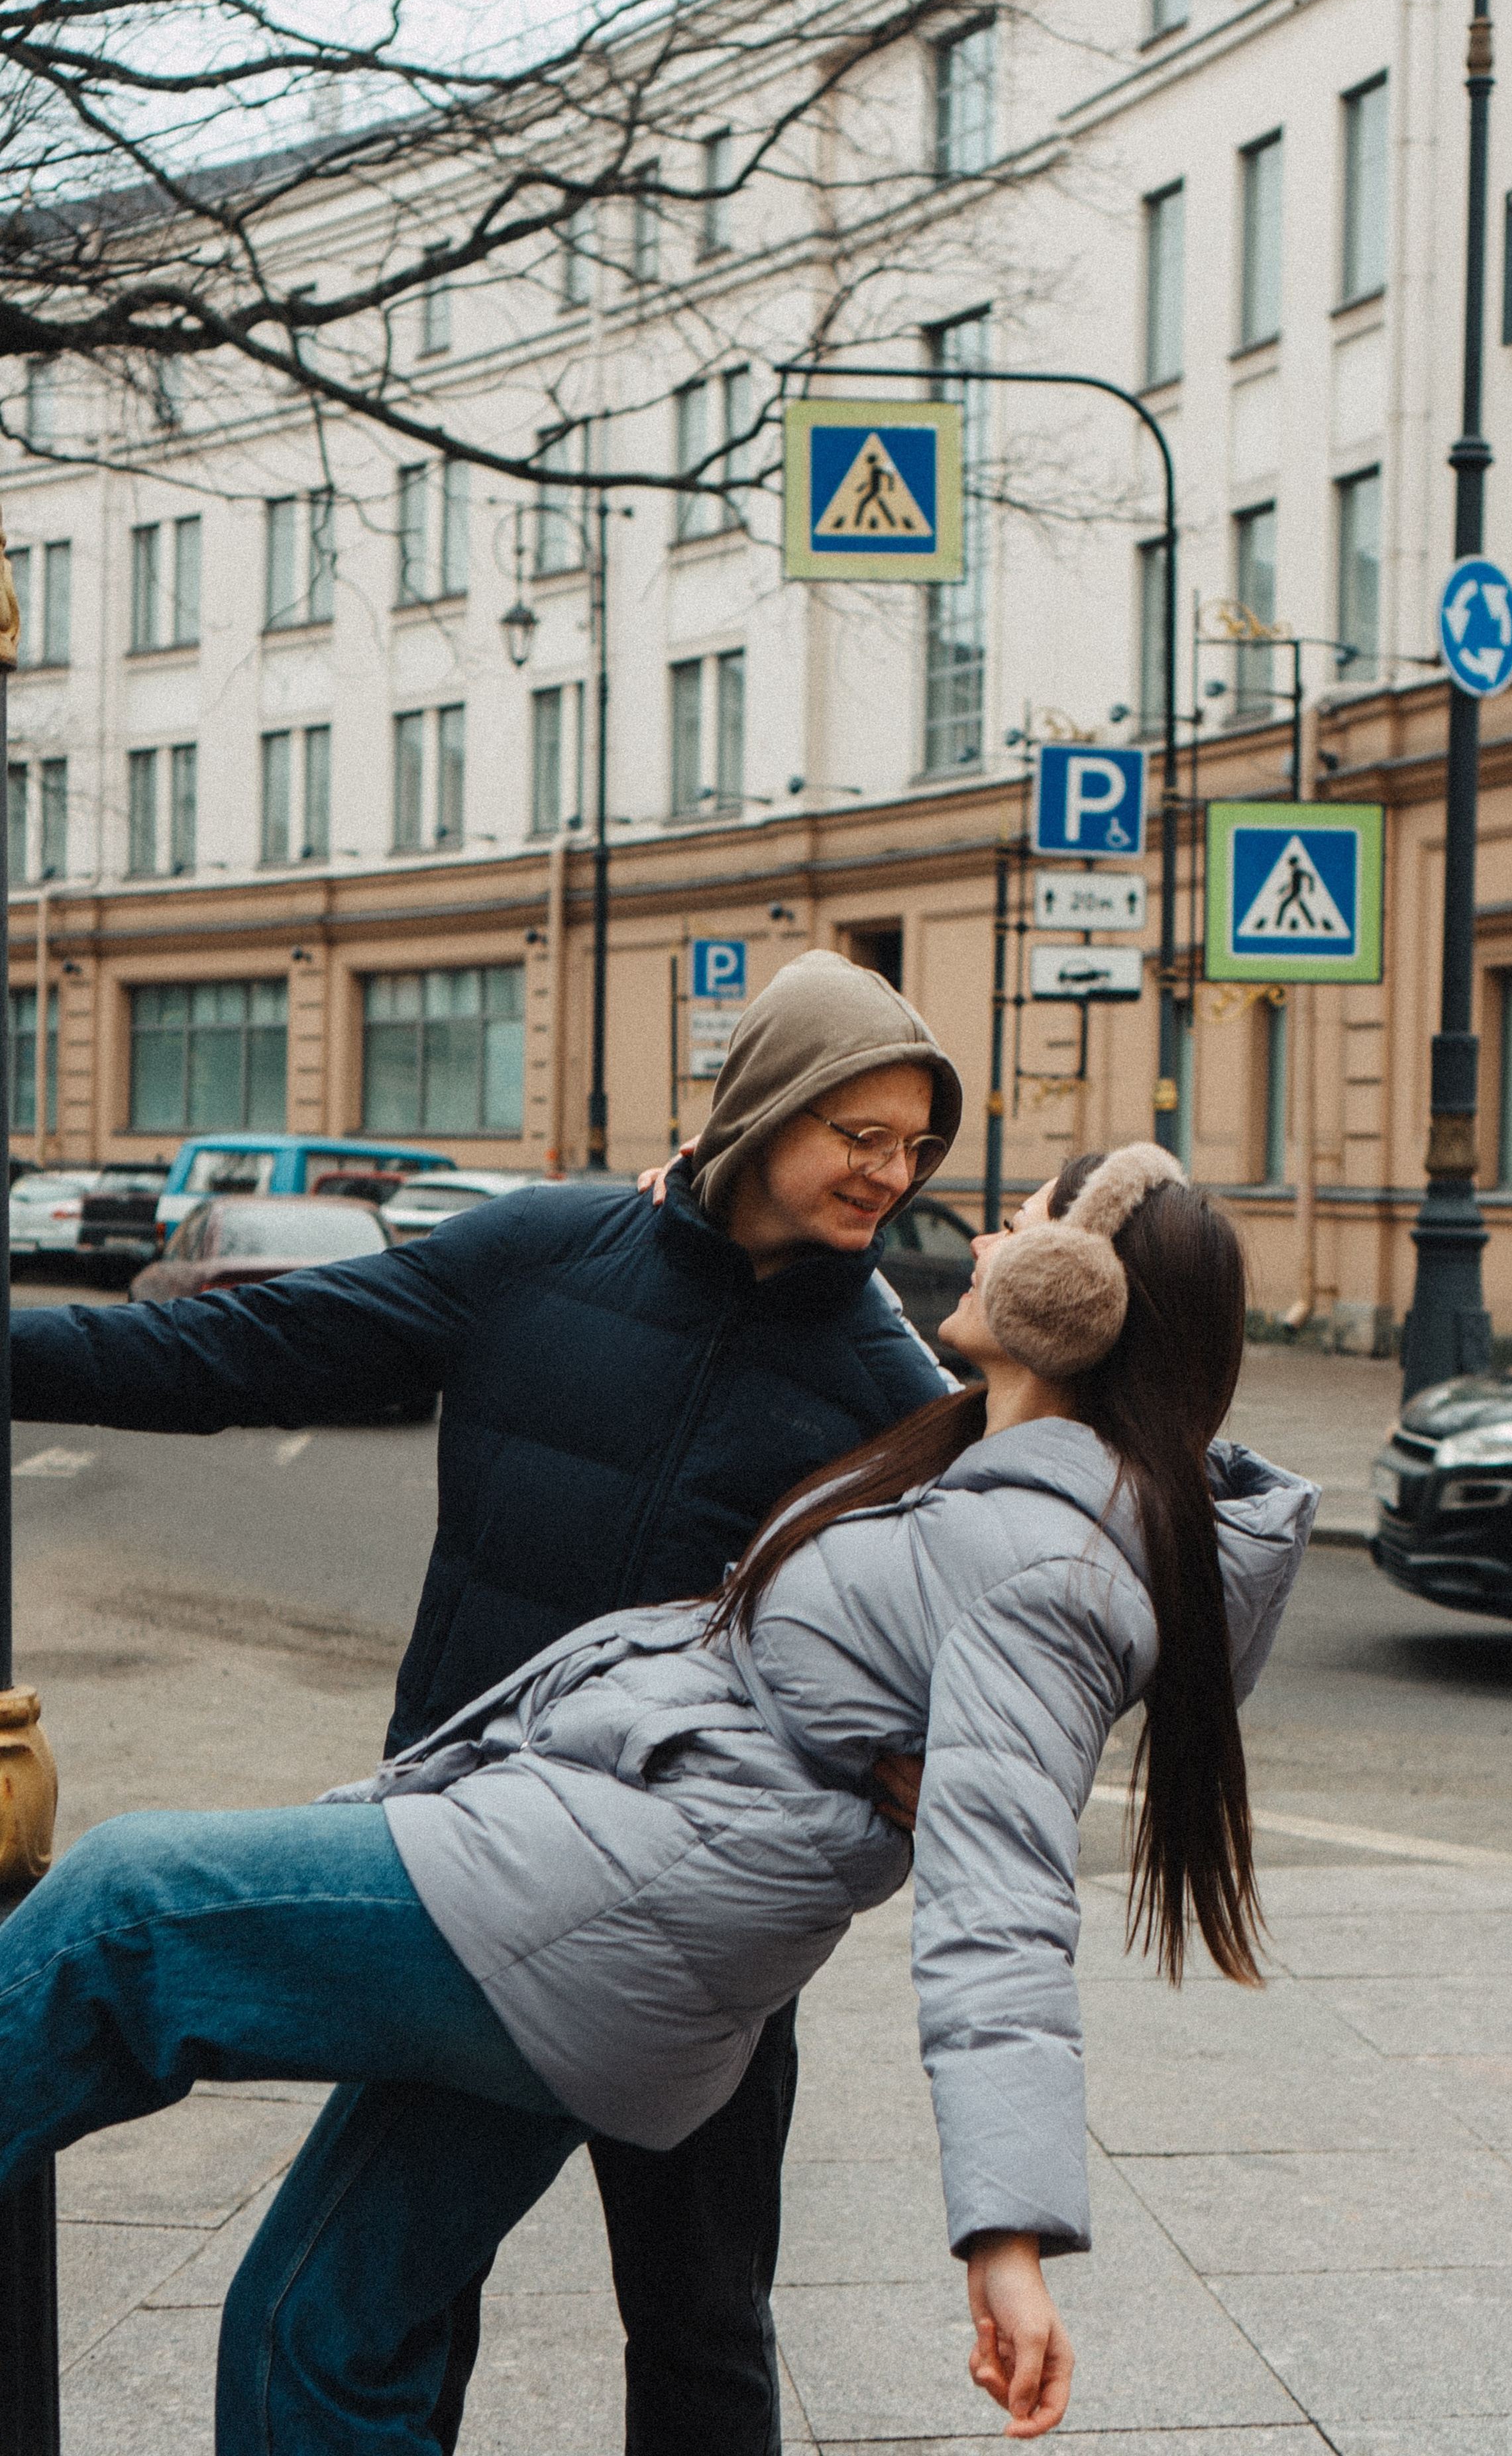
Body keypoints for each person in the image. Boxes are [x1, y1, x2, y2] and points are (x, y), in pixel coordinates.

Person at [0, 1142, 1316, 2449]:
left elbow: (1004, 1907)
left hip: (599, 1904)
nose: (974, 1239)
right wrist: (714, 1181)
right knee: (318, 2322)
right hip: (609, 1927)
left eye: (1015, 1227)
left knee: (129, 1912)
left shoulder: (1047, 1569)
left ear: (1074, 1299)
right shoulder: (990, 1471)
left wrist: (1007, 2235)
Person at [7, 948, 963, 2456]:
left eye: (915, 1147)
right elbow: (236, 1350)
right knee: (388, 2304)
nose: (891, 1174)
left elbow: (992, 1639)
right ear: (765, 1106)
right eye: (861, 1134)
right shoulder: (540, 1251)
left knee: (700, 2317)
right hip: (466, 1862)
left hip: (679, 1919)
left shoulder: (889, 1398)